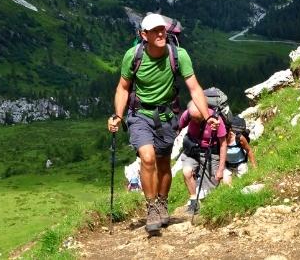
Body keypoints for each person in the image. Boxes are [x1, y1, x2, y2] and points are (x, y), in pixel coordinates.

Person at [107, 13, 215, 235]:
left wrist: (207, 116)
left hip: (167, 117)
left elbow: (194, 88)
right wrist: (118, 115)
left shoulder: (179, 55)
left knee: (164, 163)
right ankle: (152, 207)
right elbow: (123, 87)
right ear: (143, 35)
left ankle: (163, 202)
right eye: (155, 30)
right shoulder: (133, 55)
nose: (160, 33)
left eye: (162, 29)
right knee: (147, 158)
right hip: (139, 115)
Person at [178, 101, 227, 214]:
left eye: (198, 118)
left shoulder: (216, 120)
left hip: (210, 152)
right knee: (187, 171)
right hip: (192, 150)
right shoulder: (188, 114)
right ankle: (194, 201)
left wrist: (220, 170)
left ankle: (209, 208)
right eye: (193, 118)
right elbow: (179, 127)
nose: (195, 121)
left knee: (211, 188)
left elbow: (223, 144)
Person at [222, 118, 256, 186]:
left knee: (245, 184)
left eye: (226, 134)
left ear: (230, 130)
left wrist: (254, 166)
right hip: (227, 165)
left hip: (241, 164)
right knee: (226, 186)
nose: (224, 136)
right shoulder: (220, 139)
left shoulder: (239, 138)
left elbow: (248, 150)